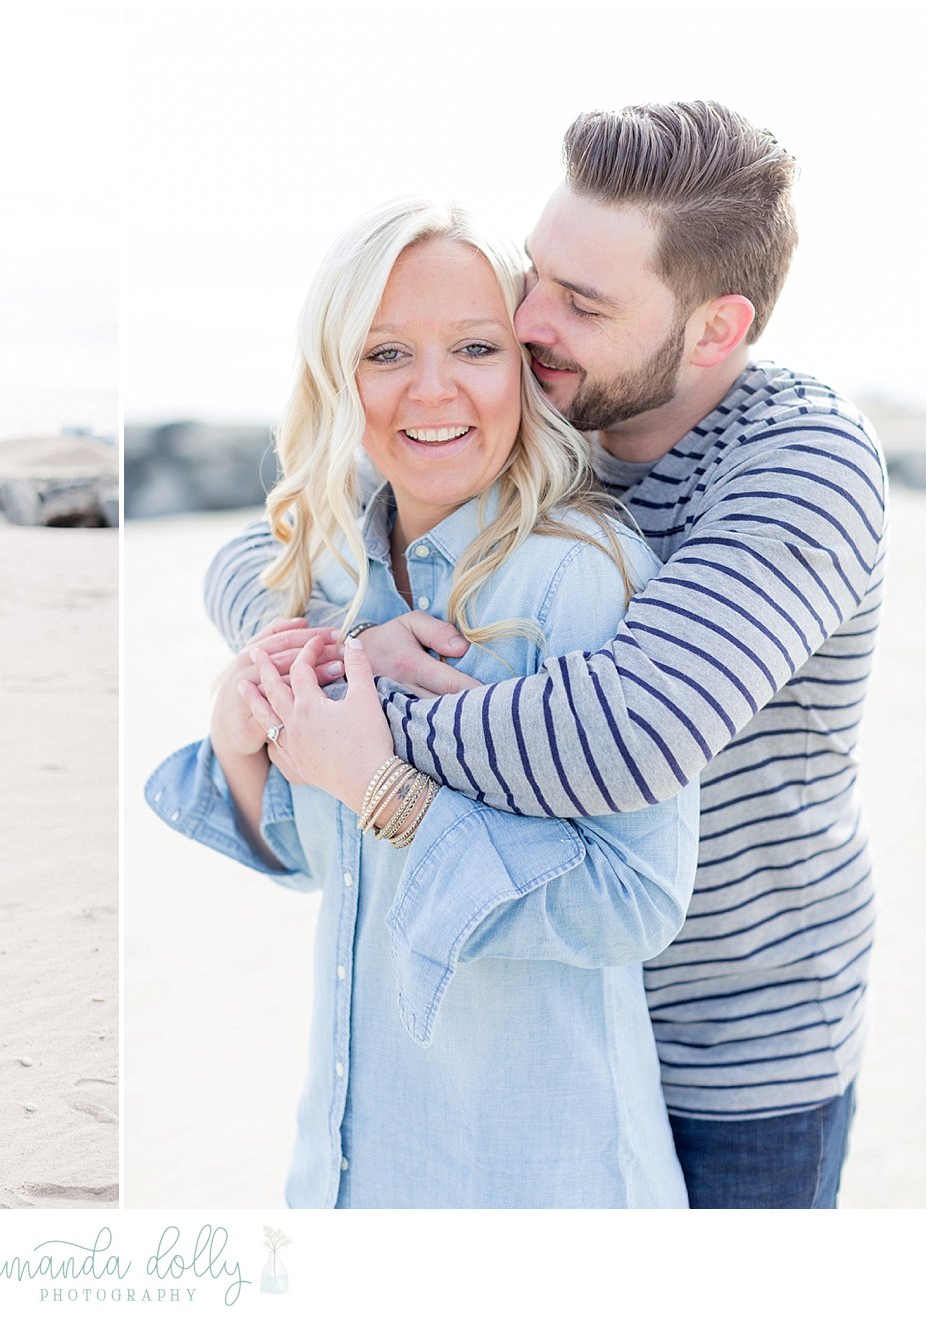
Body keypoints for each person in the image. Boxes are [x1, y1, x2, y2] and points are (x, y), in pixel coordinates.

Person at [204, 101, 886, 1208]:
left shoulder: (797, 463)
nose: (526, 321)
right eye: (535, 274)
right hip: (552, 1015)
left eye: (580, 301)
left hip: (737, 1038)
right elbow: (263, 546)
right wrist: (321, 657)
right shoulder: (547, 415)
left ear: (713, 330)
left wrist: (344, 715)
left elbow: (622, 734)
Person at [149, 198, 700, 1208]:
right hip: (353, 1171)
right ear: (335, 375)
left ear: (525, 370)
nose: (432, 388)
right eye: (385, 350)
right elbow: (327, 871)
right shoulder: (337, 576)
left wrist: (386, 787)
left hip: (540, 1183)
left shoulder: (576, 580)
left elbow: (636, 901)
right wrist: (241, 748)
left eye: (475, 346)